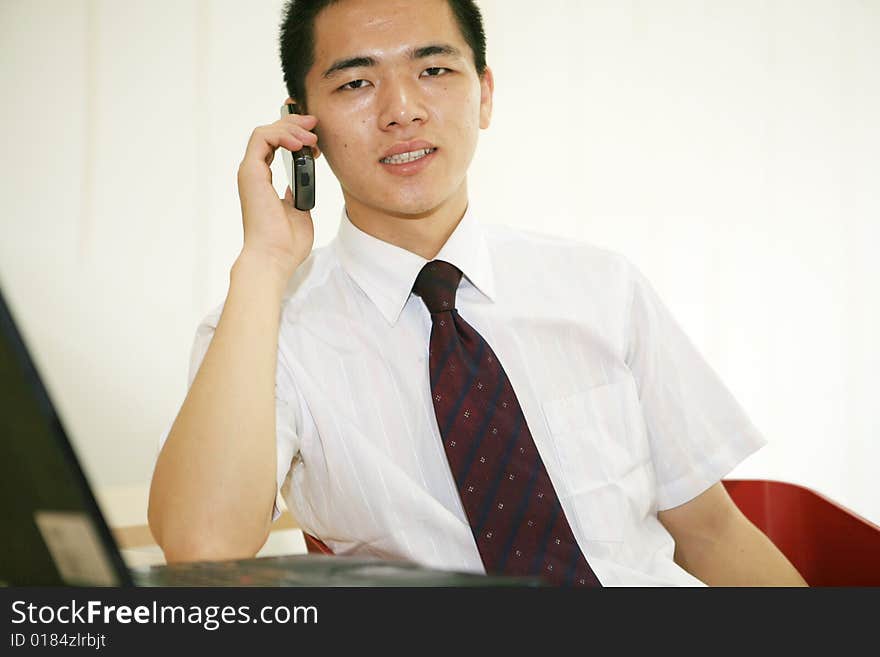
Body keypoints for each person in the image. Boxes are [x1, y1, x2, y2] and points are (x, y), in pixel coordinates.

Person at [148, 0, 808, 586]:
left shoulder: (601, 286)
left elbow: (712, 533)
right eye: (356, 81)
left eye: (433, 70)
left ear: (484, 95)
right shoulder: (267, 327)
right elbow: (203, 548)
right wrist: (264, 264)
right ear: (302, 127)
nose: (401, 109)